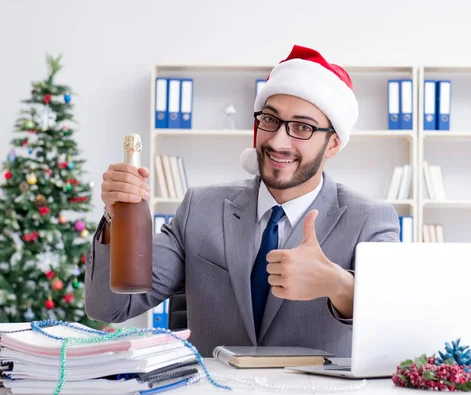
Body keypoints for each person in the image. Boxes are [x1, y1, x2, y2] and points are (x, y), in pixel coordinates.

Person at [84, 45, 400, 357]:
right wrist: (117, 220)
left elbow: (394, 325)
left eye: (302, 127)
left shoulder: (369, 220)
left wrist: (338, 285)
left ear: (332, 144)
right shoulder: (201, 208)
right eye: (270, 120)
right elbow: (110, 306)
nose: (278, 141)